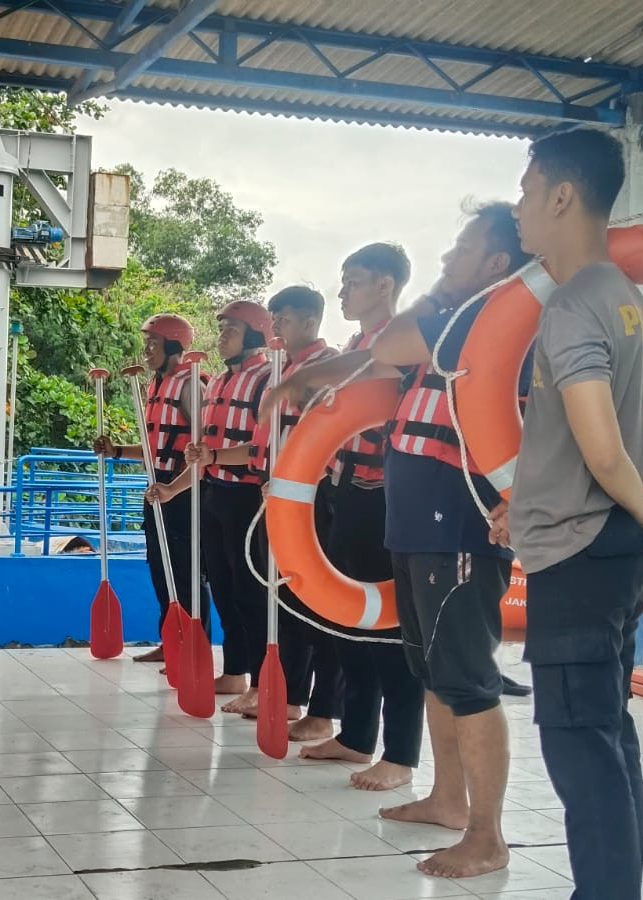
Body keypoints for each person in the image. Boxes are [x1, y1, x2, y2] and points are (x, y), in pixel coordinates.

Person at [497, 126, 643, 898]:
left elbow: (603, 448)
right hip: (603, 548)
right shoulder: (628, 300)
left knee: (578, 740)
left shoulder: (571, 305)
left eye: (528, 189)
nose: (520, 206)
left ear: (563, 195)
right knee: (606, 732)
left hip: (582, 548)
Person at [344, 204, 531, 878]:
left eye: (460, 248)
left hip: (457, 521)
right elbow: (388, 347)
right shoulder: (456, 318)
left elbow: (386, 344)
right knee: (434, 671)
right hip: (418, 522)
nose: (447, 259)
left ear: (496, 265)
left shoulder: (491, 324)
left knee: (469, 679)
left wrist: (441, 293)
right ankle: (448, 799)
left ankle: (488, 834)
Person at [265, 243, 425, 791]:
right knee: (344, 619)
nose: (342, 292)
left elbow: (374, 381)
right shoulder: (358, 344)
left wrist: (297, 383)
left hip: (391, 498)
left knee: (391, 630)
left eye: (352, 281)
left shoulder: (407, 340)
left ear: (386, 284)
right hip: (345, 495)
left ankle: (400, 754)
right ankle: (357, 737)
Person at [153, 301, 272, 715]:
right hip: (214, 493)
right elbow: (202, 455)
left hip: (248, 498)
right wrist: (173, 488)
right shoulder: (220, 380)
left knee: (251, 593)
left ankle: (263, 681)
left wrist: (214, 461)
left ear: (255, 335)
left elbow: (262, 446)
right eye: (221, 328)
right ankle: (236, 671)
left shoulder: (266, 378)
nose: (222, 335)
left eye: (231, 329)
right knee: (225, 589)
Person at [248, 286, 345, 740]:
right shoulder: (281, 370)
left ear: (309, 322)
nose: (275, 328)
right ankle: (289, 699)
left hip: (316, 503)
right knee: (284, 602)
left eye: (282, 319)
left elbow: (333, 440)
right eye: (272, 320)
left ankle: (324, 710)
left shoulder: (329, 371)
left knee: (318, 606)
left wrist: (296, 483)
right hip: (280, 501)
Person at [93, 313, 202, 664]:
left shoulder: (190, 386)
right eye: (146, 344)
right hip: (157, 492)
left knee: (184, 571)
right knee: (160, 567)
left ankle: (191, 645)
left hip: (184, 495)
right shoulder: (155, 386)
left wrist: (175, 487)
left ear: (174, 347)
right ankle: (170, 641)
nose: (146, 351)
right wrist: (118, 451)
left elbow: (200, 447)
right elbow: (156, 445)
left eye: (153, 344)